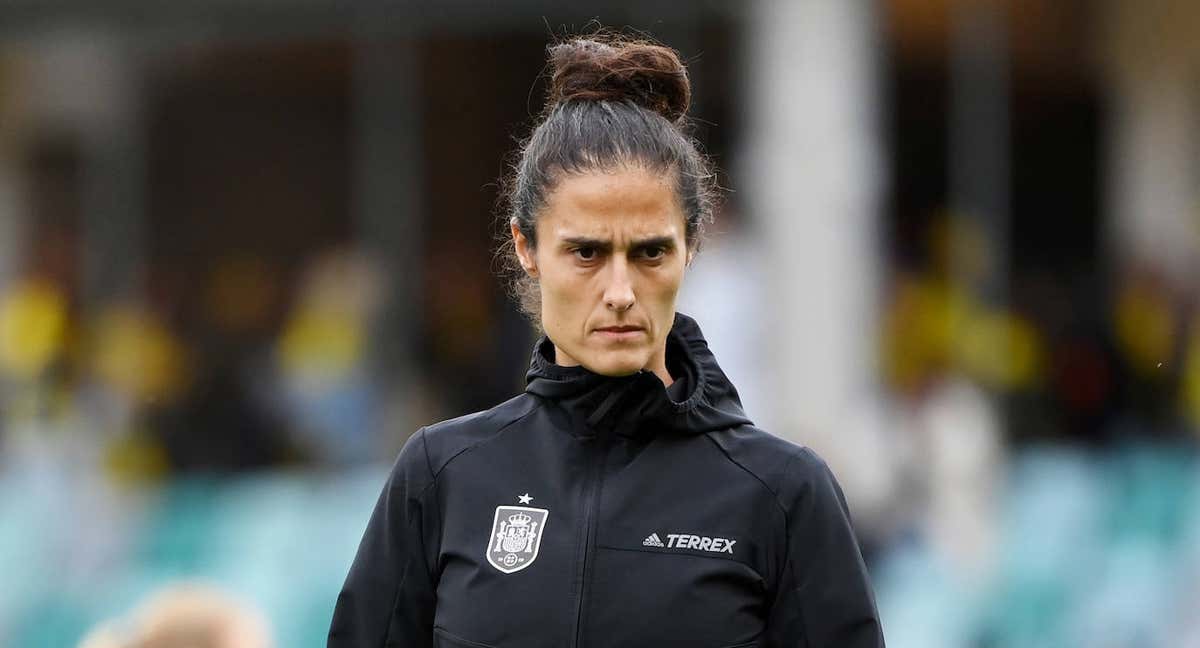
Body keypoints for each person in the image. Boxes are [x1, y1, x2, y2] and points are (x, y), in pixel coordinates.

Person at [329, 34, 884, 648]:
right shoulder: (441, 477)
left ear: (690, 249)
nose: (620, 289)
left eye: (650, 252)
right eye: (586, 252)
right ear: (527, 248)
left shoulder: (784, 493)